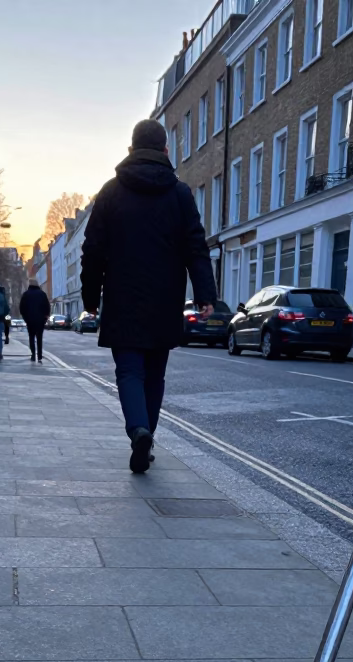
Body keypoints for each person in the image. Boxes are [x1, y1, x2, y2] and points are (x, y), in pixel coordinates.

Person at [81, 118, 216, 473]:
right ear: (165, 151)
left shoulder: (110, 191)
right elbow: (196, 247)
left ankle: (137, 430)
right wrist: (205, 294)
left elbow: (93, 249)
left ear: (130, 149)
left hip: (123, 297)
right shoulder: (180, 193)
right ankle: (147, 436)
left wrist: (90, 297)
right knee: (155, 374)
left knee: (129, 371)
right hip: (165, 298)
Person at [19, 280, 51, 362]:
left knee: (31, 337)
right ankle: (39, 355)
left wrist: (25, 318)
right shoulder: (42, 294)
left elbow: (22, 308)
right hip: (40, 320)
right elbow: (47, 306)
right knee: (39, 338)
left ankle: (33, 354)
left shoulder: (26, 294)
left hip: (29, 320)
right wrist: (45, 318)